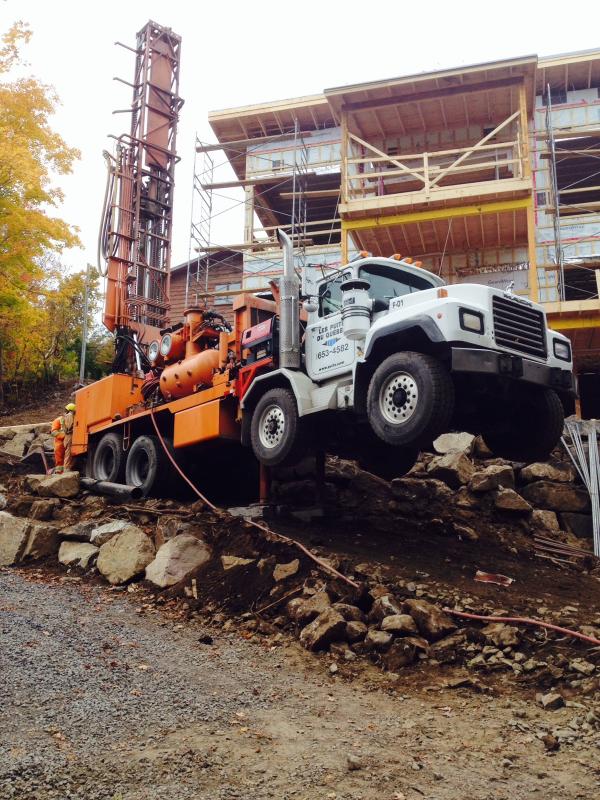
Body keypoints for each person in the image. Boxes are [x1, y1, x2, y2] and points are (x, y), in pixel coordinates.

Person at [51, 403, 76, 473]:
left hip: (69, 441)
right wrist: (63, 436)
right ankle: (59, 473)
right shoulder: (58, 420)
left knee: (69, 457)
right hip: (60, 442)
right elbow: (53, 432)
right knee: (59, 458)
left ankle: (66, 470)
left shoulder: (74, 420)